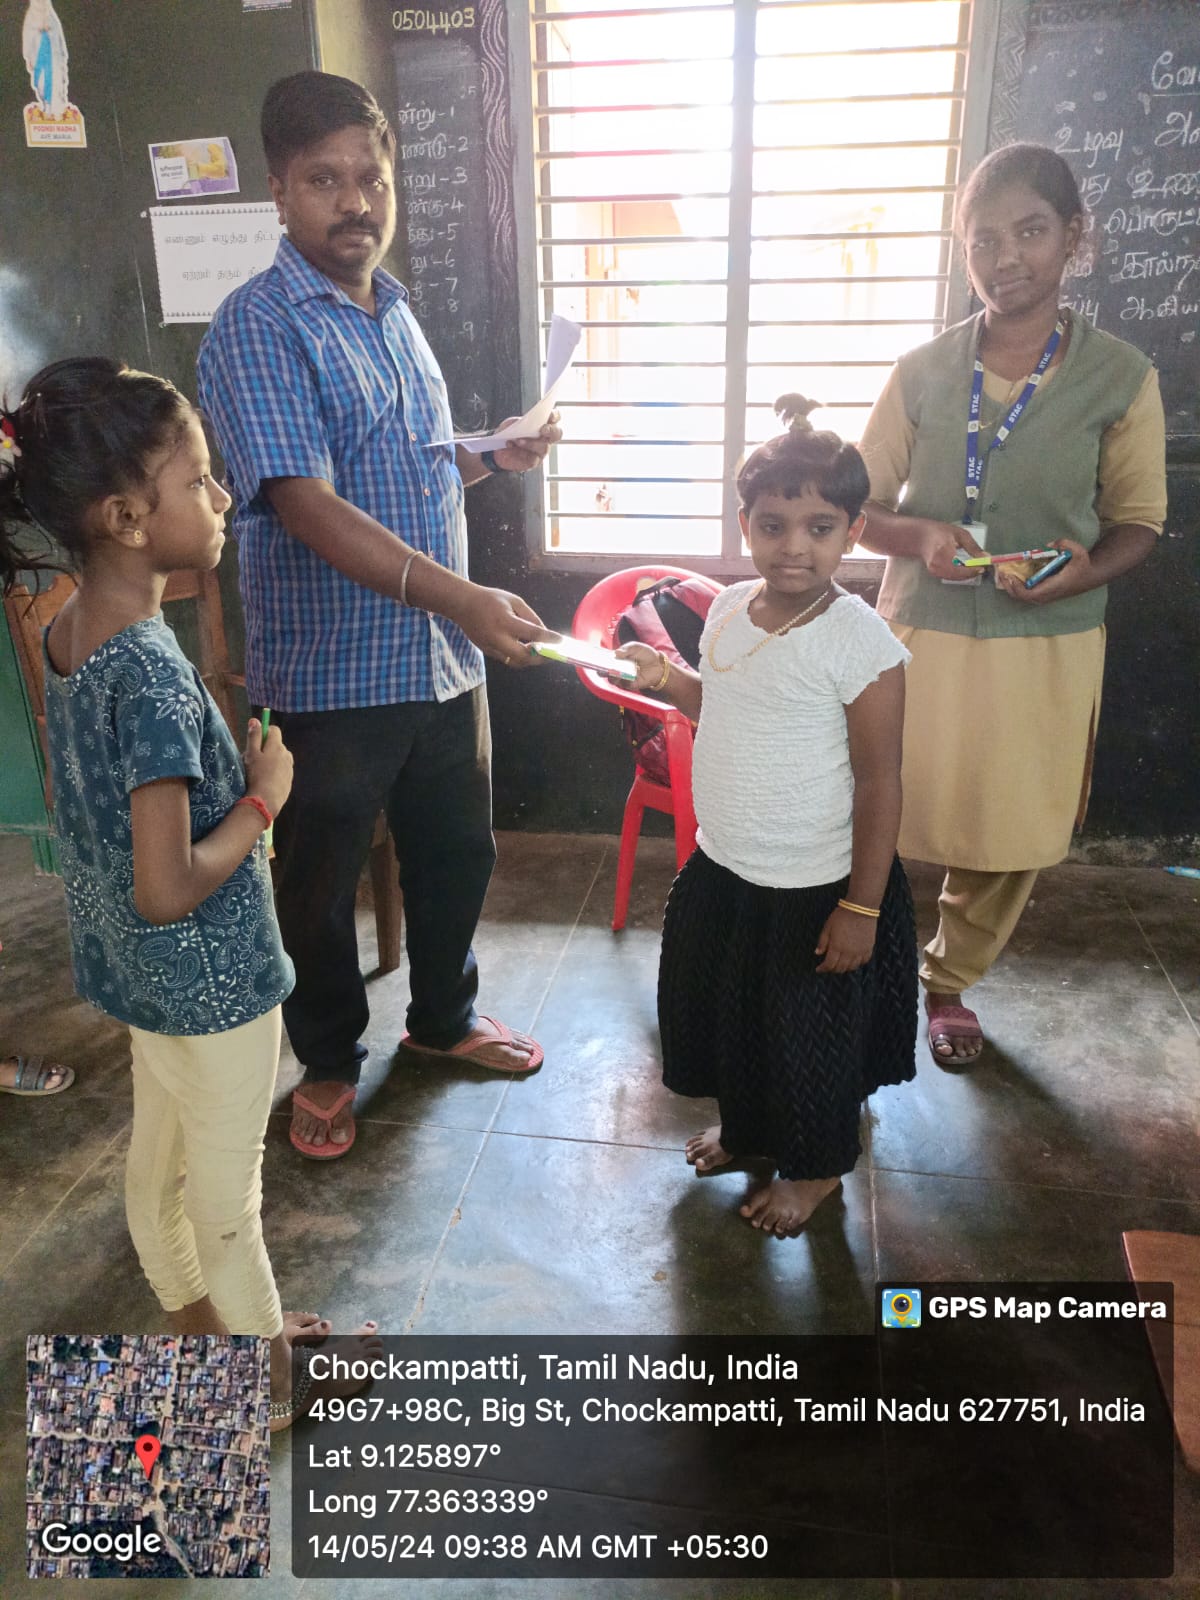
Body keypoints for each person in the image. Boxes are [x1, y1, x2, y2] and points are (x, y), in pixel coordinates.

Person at [0, 357, 378, 1427]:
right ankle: (273, 1382)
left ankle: (206, 1331)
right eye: (199, 480)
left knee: (157, 1165)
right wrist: (263, 796)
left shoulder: (65, 629)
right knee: (224, 1197)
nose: (221, 497)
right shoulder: (155, 674)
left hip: (133, 974)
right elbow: (169, 886)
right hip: (212, 985)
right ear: (126, 517)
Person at [197, 71, 558, 1162]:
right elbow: (307, 506)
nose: (356, 202)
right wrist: (466, 598)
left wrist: (490, 456)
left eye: (372, 177)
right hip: (332, 674)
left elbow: (412, 476)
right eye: (325, 180)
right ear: (278, 190)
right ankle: (326, 1060)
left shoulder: (392, 311)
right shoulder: (257, 327)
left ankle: (442, 1019)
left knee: (456, 855)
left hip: (443, 659)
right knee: (318, 880)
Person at [857, 143, 1167, 1066]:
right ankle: (855, 964)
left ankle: (949, 979)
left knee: (1012, 830)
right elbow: (854, 508)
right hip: (917, 632)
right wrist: (919, 535)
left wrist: (1082, 572)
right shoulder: (920, 371)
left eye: (1030, 232)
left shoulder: (1121, 377)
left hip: (1048, 639)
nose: (1006, 259)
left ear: (1074, 237)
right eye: (983, 240)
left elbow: (1139, 522)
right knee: (882, 803)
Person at [617, 397, 918, 1237]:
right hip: (727, 866)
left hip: (817, 883)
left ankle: (816, 1169)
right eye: (773, 525)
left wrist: (861, 907)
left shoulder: (861, 642)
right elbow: (719, 704)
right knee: (738, 1019)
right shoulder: (728, 606)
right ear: (745, 522)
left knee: (811, 1042)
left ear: (853, 532)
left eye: (820, 528)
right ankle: (750, 1132)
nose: (794, 547)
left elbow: (881, 782)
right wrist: (665, 678)